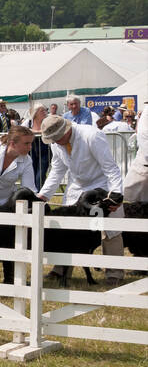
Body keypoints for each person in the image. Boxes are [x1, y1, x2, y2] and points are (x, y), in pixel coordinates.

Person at [37, 115, 125, 283]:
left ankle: (114, 273)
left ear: (67, 130)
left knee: (109, 229)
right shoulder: (57, 144)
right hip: (77, 188)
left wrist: (115, 194)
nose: (54, 142)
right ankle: (61, 269)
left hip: (101, 187)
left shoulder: (91, 135)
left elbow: (110, 167)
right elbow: (57, 170)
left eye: (56, 138)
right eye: (51, 140)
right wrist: (44, 195)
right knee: (68, 229)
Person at [28, 103, 52, 187]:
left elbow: (49, 131)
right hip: (31, 151)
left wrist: (34, 132)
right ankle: (33, 193)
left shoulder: (48, 121)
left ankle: (38, 195)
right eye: (42, 111)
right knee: (32, 173)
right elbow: (21, 130)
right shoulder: (28, 122)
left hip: (45, 150)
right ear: (36, 112)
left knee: (40, 174)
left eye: (45, 110)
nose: (45, 112)